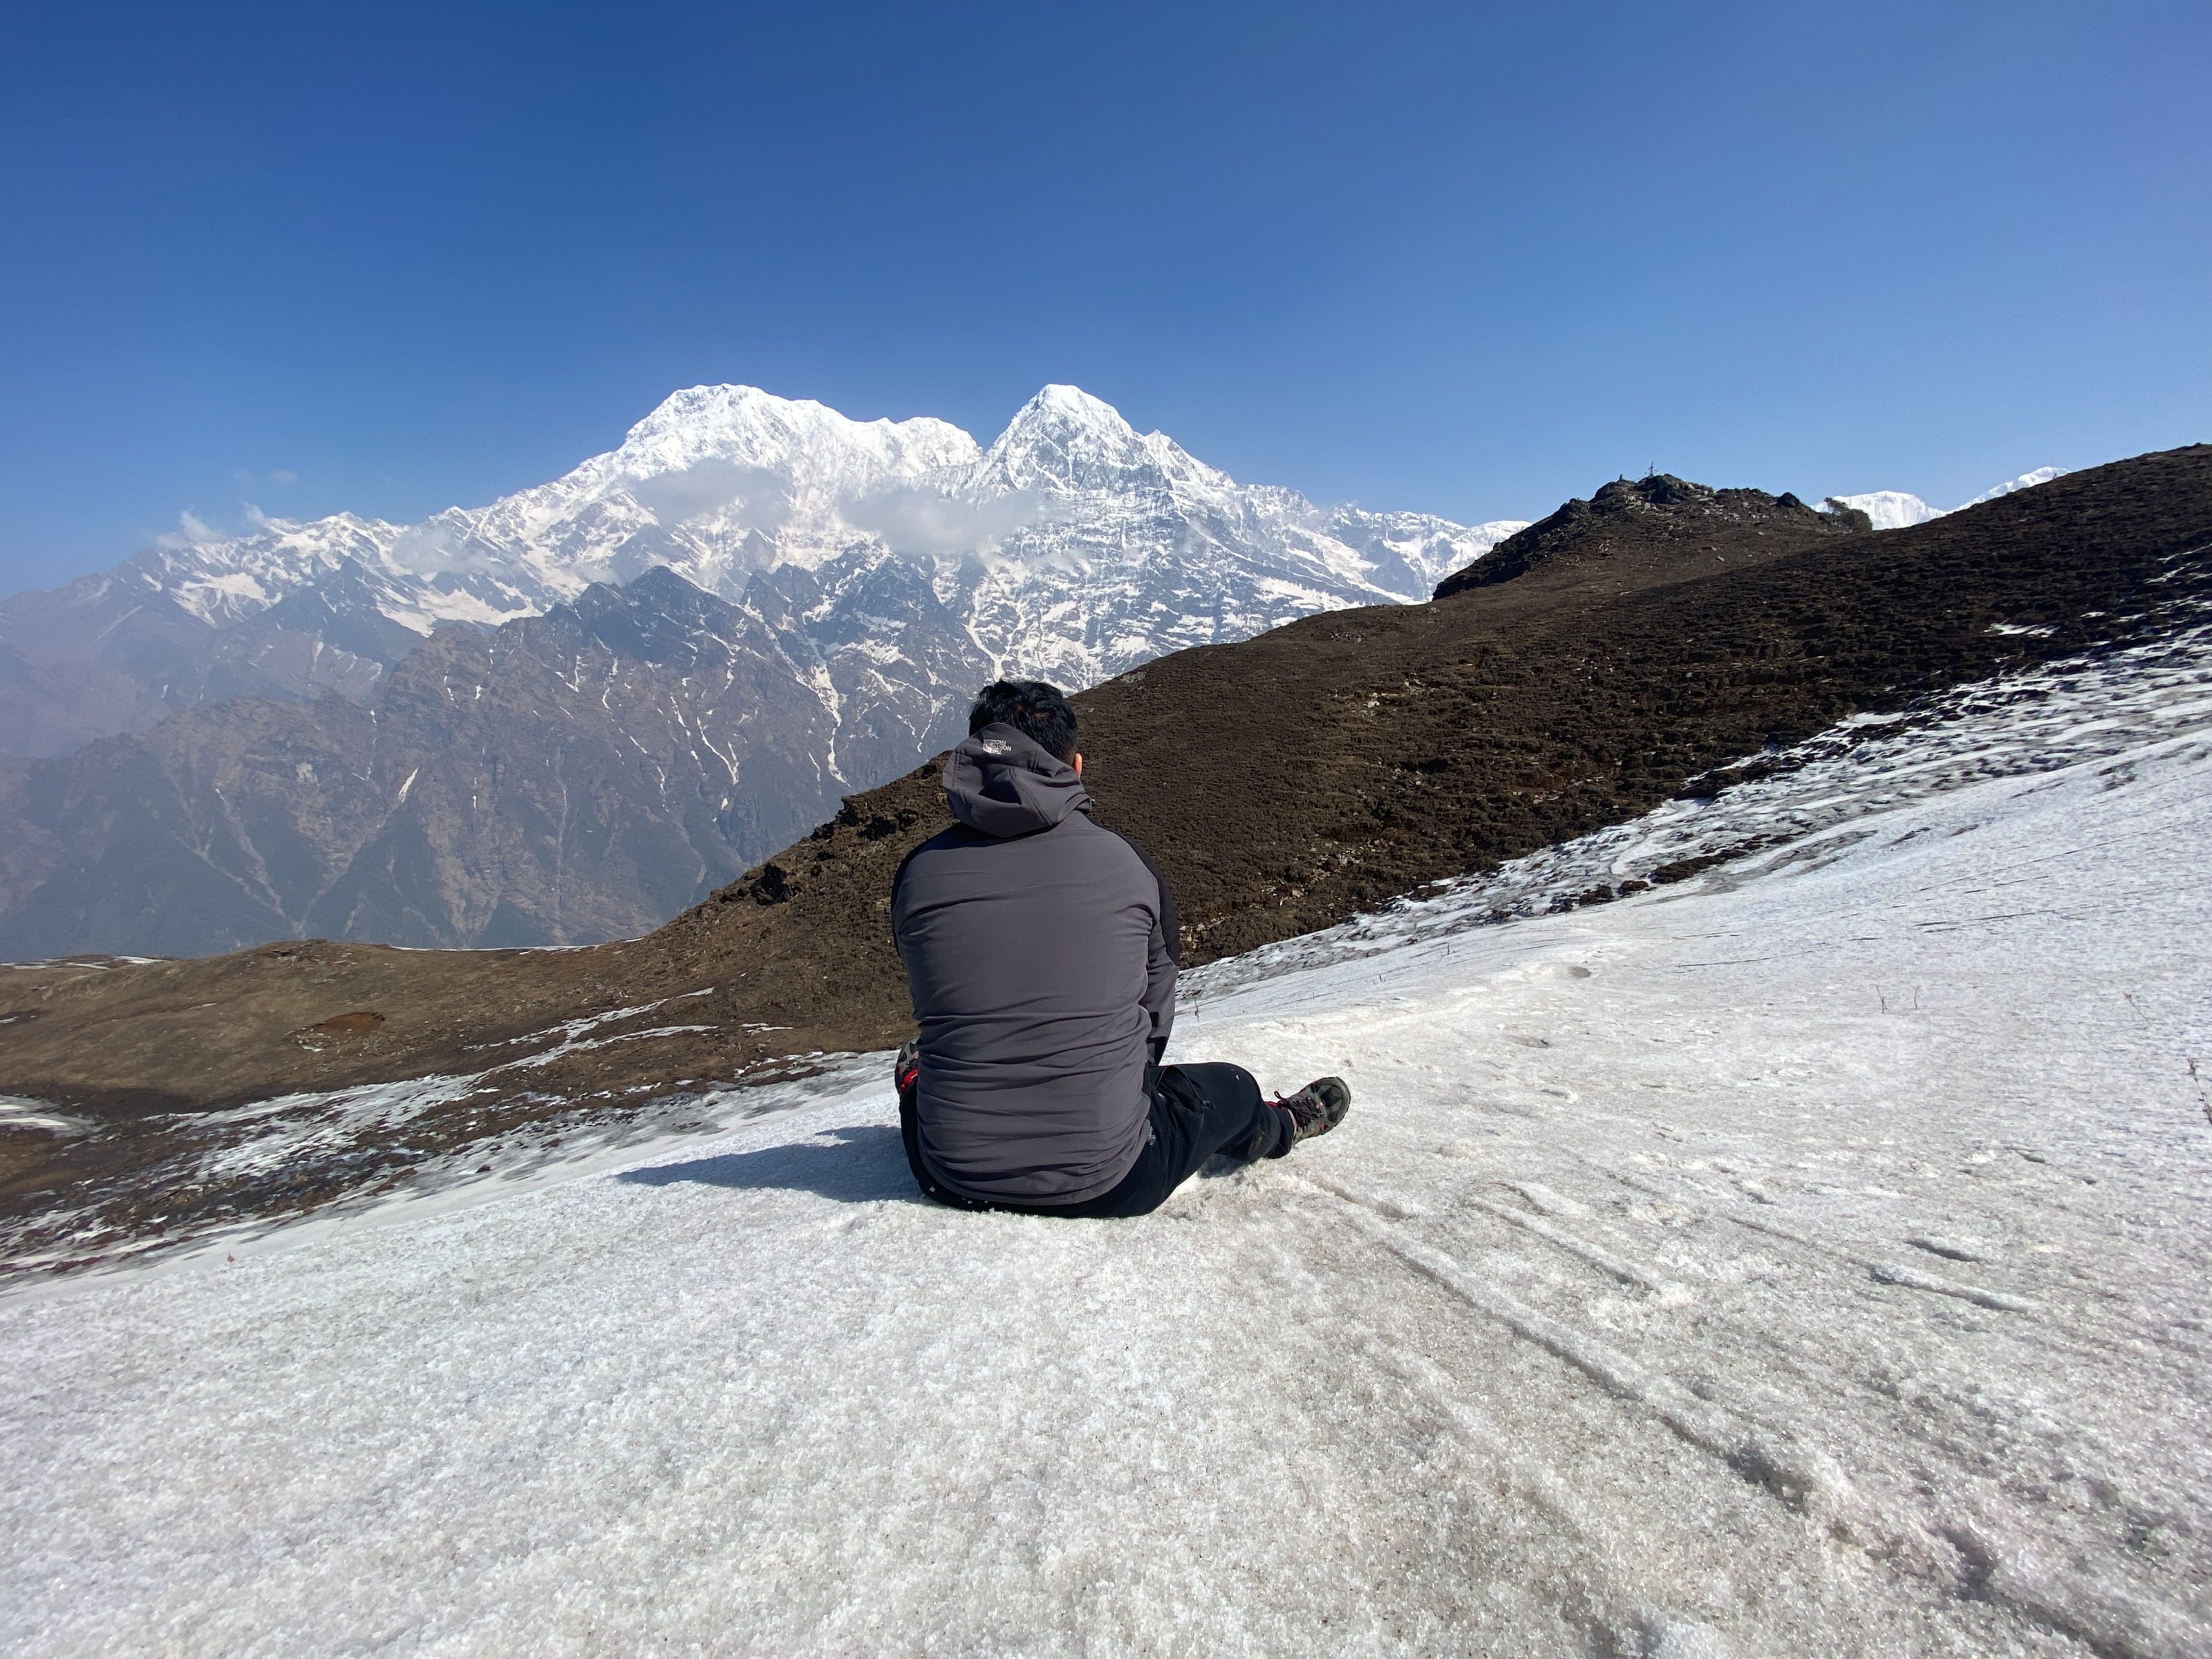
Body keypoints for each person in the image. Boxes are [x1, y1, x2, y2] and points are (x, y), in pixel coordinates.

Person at [889, 677, 1349, 1217]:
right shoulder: (1126, 865)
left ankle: (918, 1080)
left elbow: (934, 986)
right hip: (1110, 1177)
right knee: (1232, 1089)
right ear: (1074, 767)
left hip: (948, 1171)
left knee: (935, 1063)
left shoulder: (917, 874)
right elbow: (1153, 1018)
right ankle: (1281, 1126)